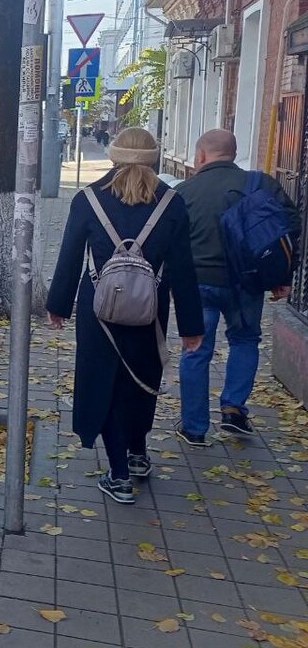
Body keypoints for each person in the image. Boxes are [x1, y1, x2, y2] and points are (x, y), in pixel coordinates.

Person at [46, 127, 204, 504]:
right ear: (152, 157)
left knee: (105, 385)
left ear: (114, 156)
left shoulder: (87, 200)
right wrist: (192, 327)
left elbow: (69, 258)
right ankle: (137, 454)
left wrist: (58, 305)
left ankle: (118, 475)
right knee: (142, 381)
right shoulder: (172, 203)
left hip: (98, 311)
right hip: (151, 309)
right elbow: (183, 268)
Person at [175, 129, 300, 445]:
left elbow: (170, 241)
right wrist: (282, 276)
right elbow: (290, 227)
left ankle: (194, 427)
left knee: (195, 349)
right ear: (233, 153)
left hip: (198, 283)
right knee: (245, 340)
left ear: (201, 155)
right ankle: (233, 410)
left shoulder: (185, 191)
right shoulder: (262, 184)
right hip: (247, 282)